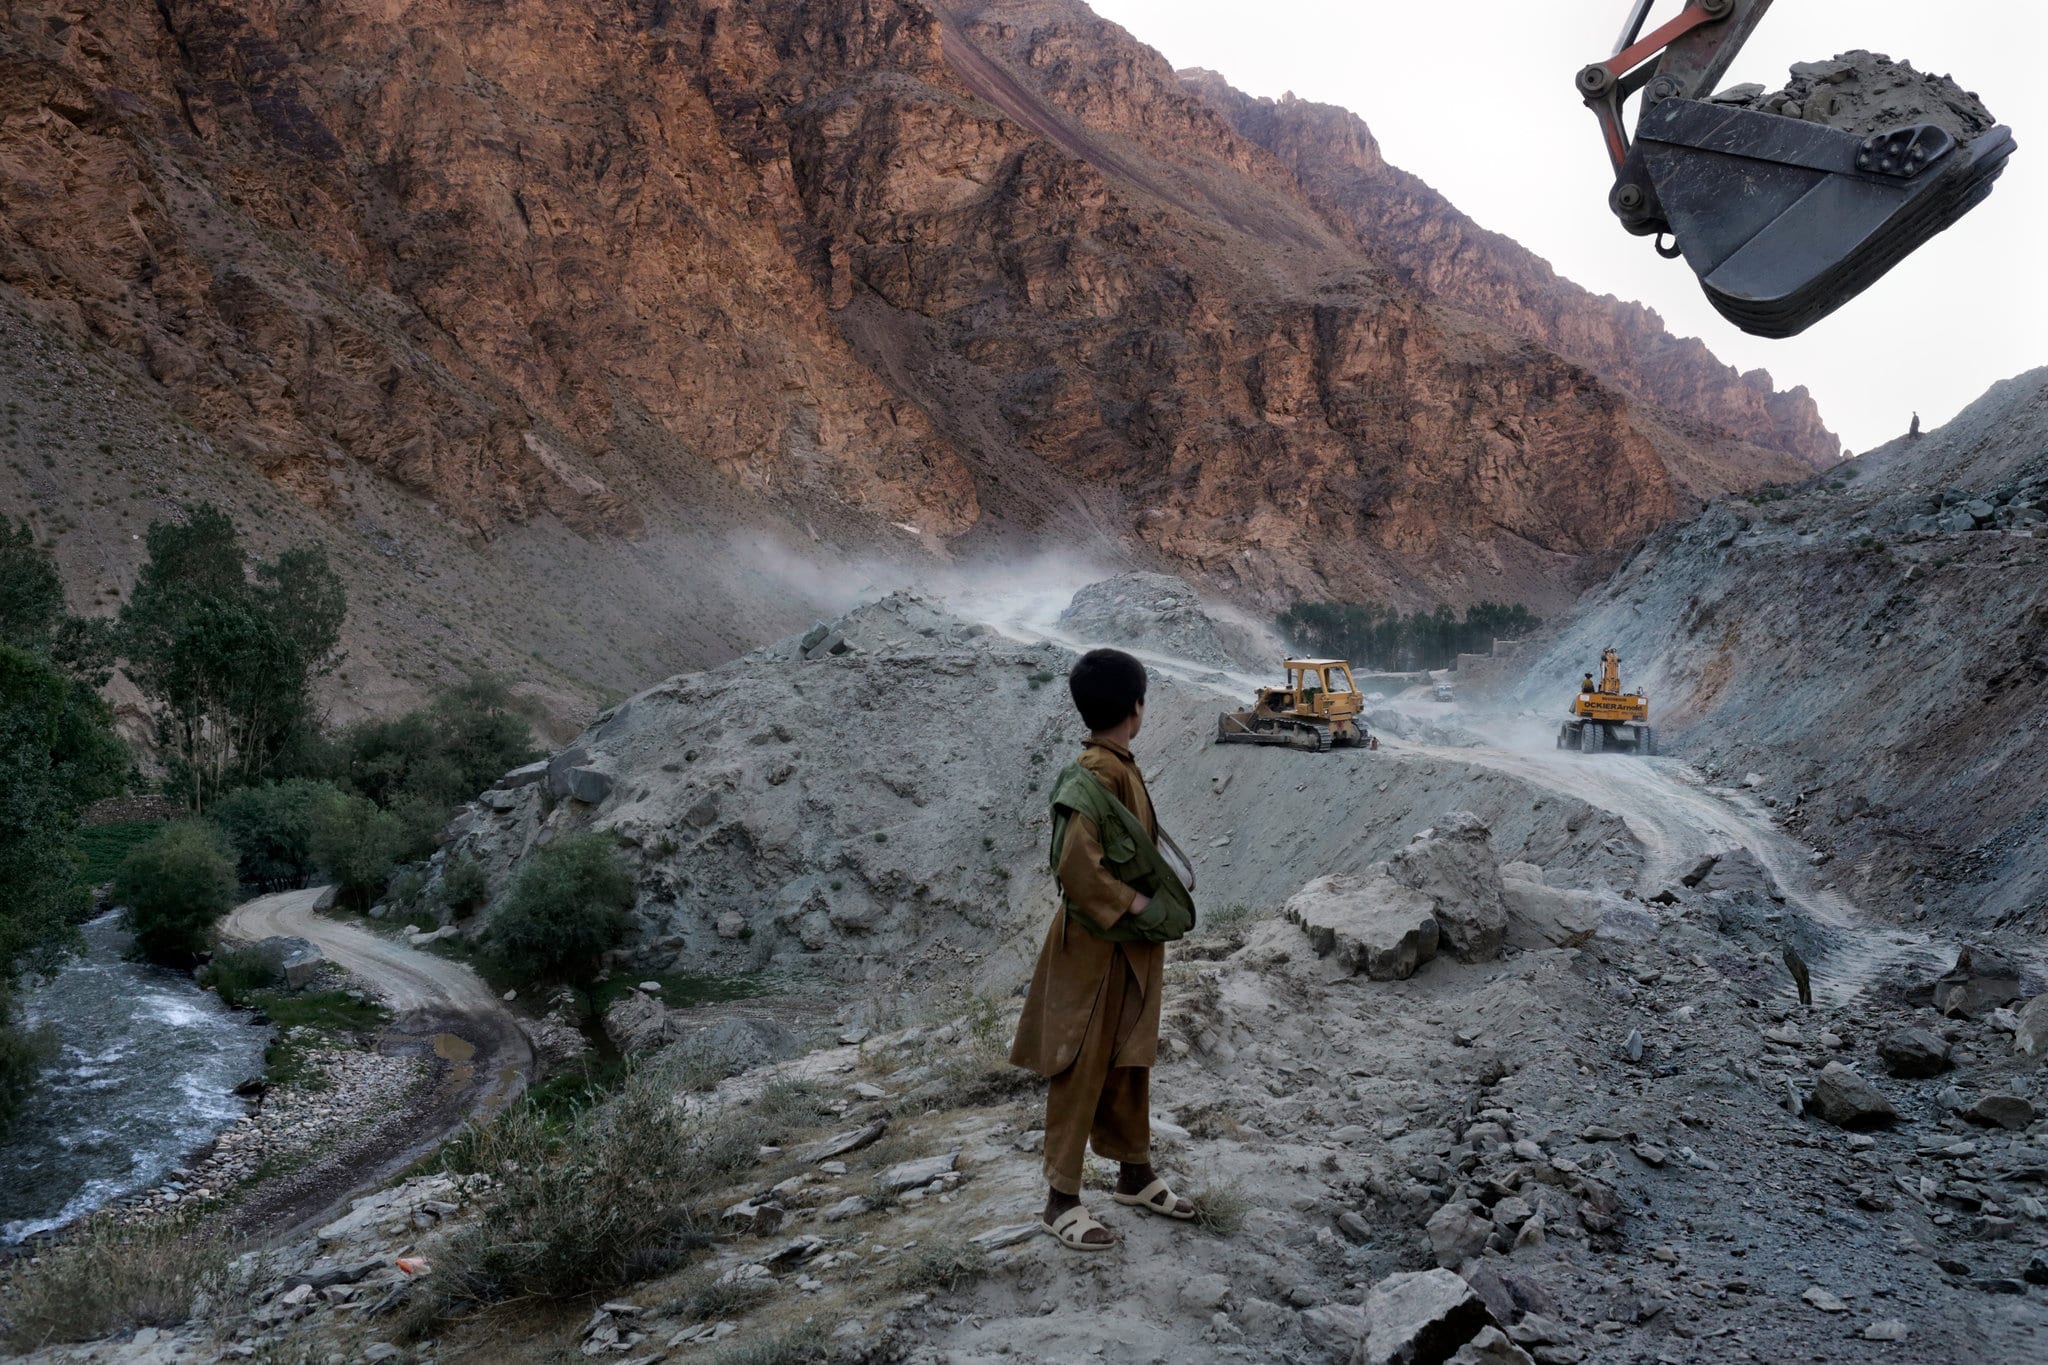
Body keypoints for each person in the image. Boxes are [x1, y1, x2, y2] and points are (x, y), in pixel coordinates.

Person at [1010, 648, 1198, 1250]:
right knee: (1083, 1064)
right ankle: (1060, 1199)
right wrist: (1138, 906)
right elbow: (1076, 868)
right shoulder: (1088, 776)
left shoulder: (1119, 764)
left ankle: (1133, 1172)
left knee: (1130, 1055)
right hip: (1094, 953)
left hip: (1130, 952)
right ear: (1136, 708)